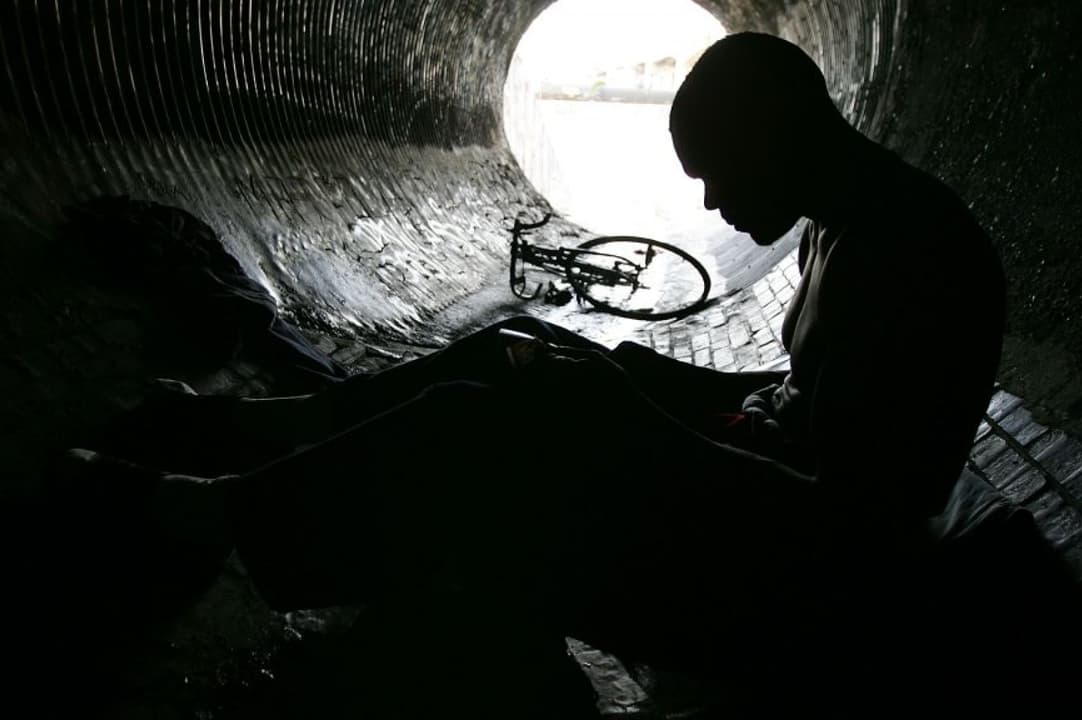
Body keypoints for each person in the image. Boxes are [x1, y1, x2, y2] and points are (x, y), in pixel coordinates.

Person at [68, 32, 1014, 714]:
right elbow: (805, 396)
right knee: (515, 349)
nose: (710, 202)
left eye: (716, 172)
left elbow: (850, 522)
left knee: (491, 425)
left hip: (802, 586)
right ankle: (273, 428)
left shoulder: (911, 255)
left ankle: (211, 514)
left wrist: (636, 420)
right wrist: (636, 370)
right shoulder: (848, 219)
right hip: (757, 493)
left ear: (776, 133)